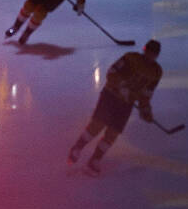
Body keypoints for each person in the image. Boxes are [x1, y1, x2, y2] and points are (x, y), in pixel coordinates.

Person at [67, 39, 163, 175]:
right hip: (111, 95)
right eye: (149, 52)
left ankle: (95, 160)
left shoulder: (156, 72)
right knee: (97, 125)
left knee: (113, 133)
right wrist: (121, 85)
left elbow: (147, 93)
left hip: (126, 104)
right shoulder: (130, 58)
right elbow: (111, 72)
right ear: (144, 50)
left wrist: (145, 108)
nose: (150, 56)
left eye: (154, 54)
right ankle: (77, 148)